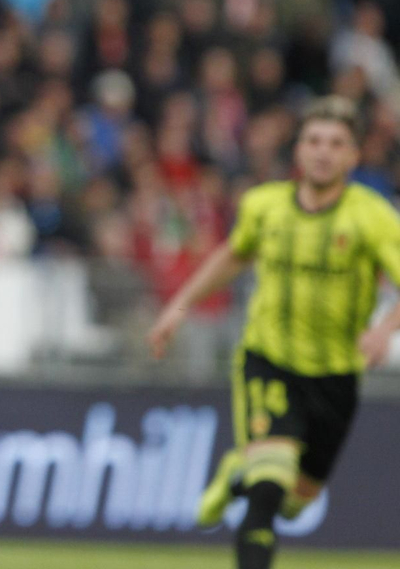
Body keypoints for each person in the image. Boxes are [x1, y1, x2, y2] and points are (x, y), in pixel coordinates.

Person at [148, 96, 400, 569]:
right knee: (269, 488)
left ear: (353, 156)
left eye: (336, 144)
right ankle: (252, 479)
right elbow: (234, 253)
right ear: (298, 151)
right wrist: (180, 303)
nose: (323, 152)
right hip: (269, 359)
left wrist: (386, 328)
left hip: (336, 374)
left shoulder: (372, 216)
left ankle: (235, 474)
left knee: (296, 500)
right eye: (314, 141)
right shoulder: (264, 206)